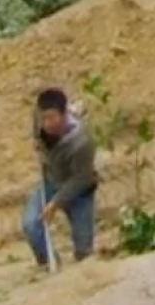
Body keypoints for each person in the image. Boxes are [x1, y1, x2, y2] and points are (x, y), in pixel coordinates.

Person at [23, 87, 99, 270]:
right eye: (44, 118)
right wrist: (38, 144)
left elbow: (81, 178)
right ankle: (49, 264)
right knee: (31, 225)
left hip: (80, 192)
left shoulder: (82, 142)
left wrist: (55, 203)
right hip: (51, 181)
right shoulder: (38, 119)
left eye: (52, 118)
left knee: (84, 253)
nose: (47, 123)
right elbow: (37, 134)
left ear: (64, 114)